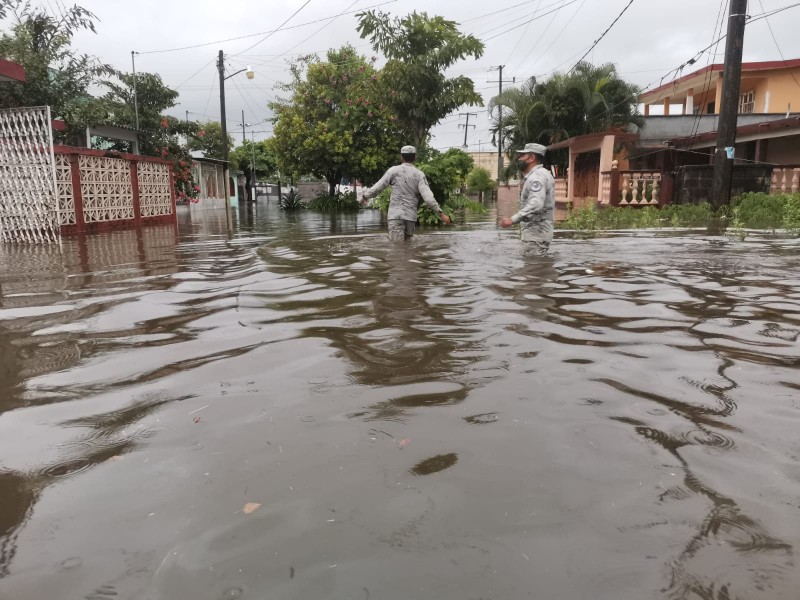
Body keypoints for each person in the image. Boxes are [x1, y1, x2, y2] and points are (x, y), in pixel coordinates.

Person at [361, 145, 451, 241]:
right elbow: (428, 198)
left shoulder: (393, 171)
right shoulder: (419, 175)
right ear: (415, 157)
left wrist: (365, 196)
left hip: (395, 216)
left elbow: (378, 186)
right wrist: (441, 214)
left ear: (401, 157)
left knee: (397, 248)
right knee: (407, 247)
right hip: (410, 217)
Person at [499, 142, 555, 256]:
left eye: (522, 156)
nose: (519, 159)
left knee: (532, 271)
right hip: (538, 234)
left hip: (536, 235)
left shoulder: (537, 178)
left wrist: (512, 219)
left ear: (532, 158)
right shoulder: (541, 174)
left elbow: (536, 204)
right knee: (536, 268)